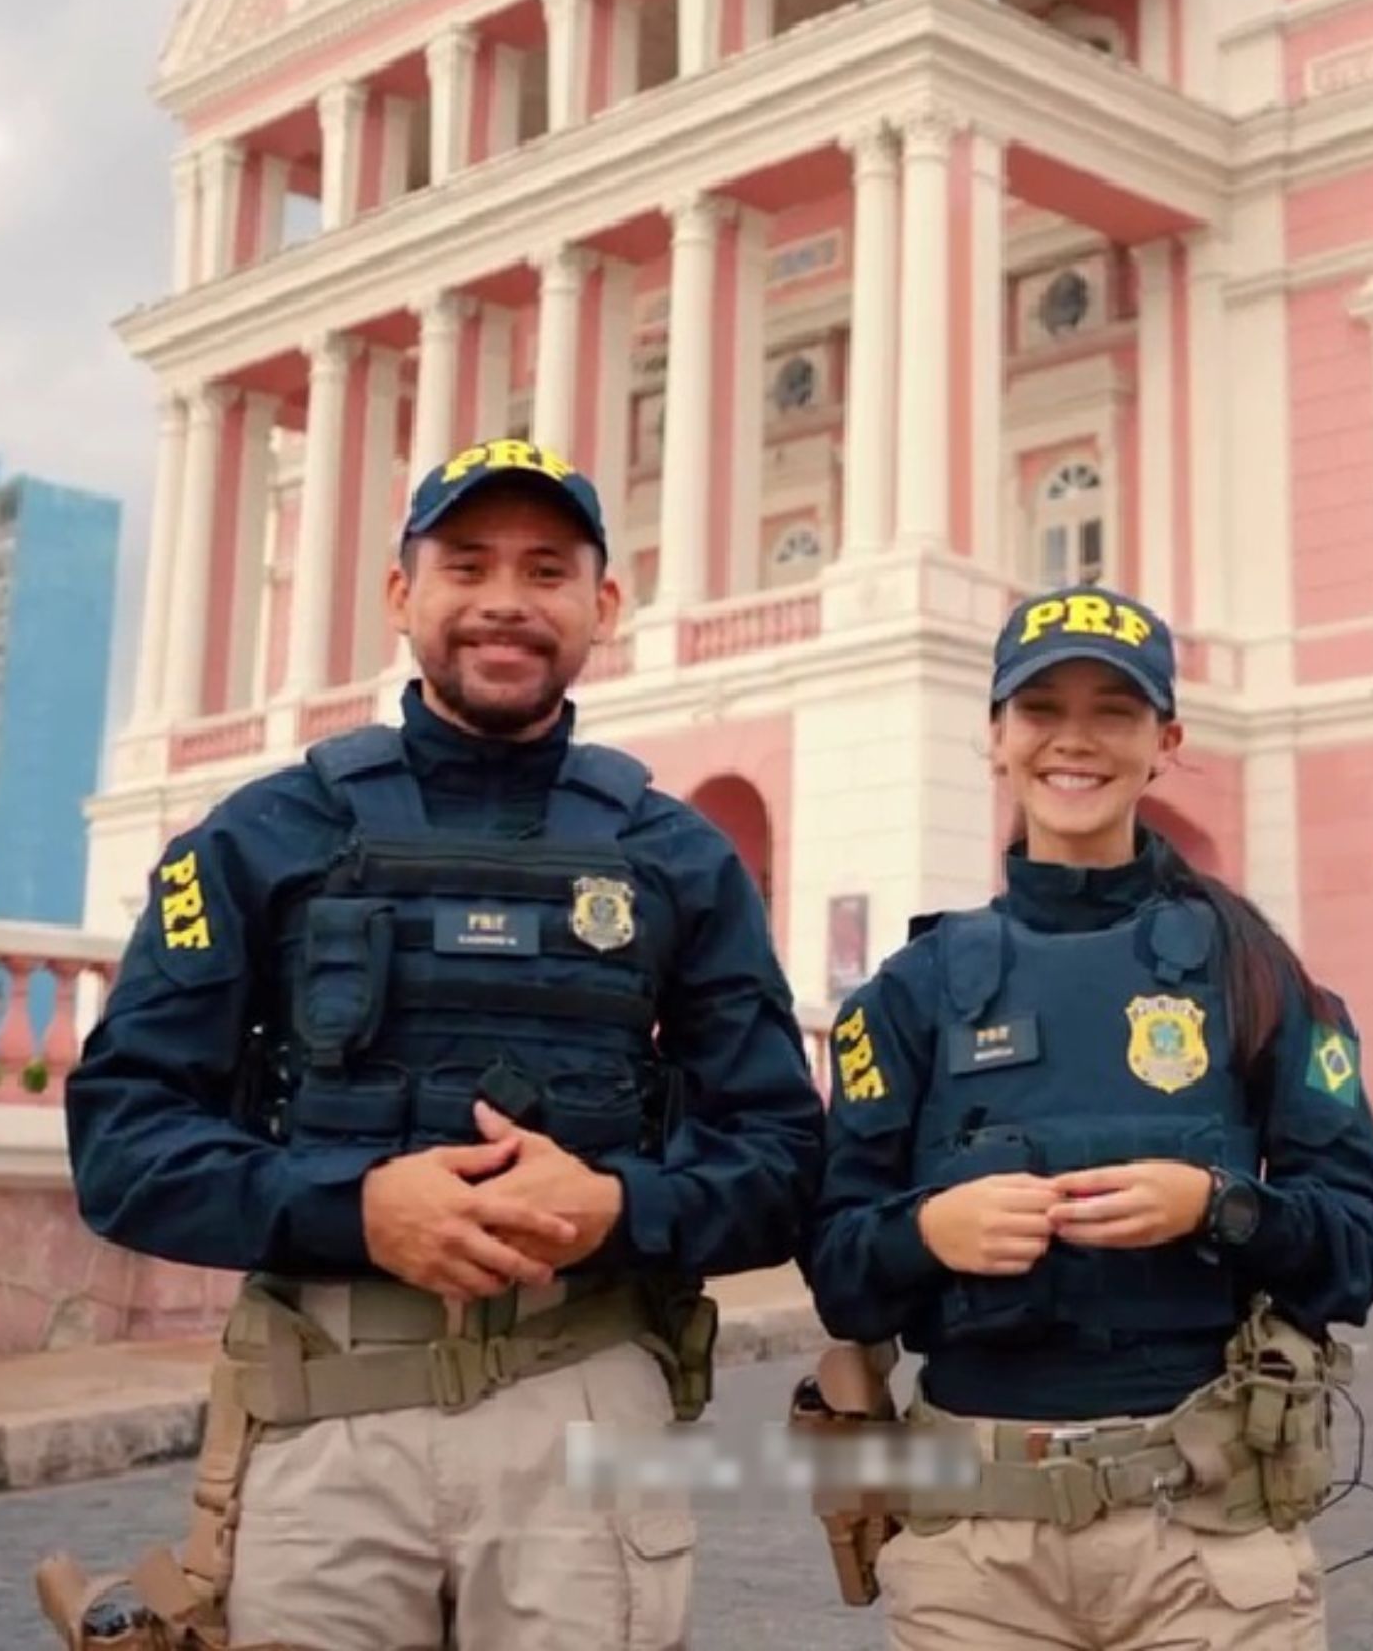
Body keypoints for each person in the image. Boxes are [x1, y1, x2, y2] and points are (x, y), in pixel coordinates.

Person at [46, 436, 827, 1651]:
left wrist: (615, 1205)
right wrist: (356, 1208)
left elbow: (785, 1162)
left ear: (603, 606)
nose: (507, 599)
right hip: (327, 1413)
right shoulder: (259, 836)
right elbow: (124, 1143)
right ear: (403, 595)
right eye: (467, 565)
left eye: (547, 569)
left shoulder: (681, 859)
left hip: (587, 1411)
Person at [797, 584, 1373, 1650]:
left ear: (1164, 740)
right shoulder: (910, 991)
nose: (1074, 740)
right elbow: (836, 1260)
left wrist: (1218, 1206)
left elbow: (1358, 1244)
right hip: (976, 1553)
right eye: (1041, 709)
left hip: (1208, 1537)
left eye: (1114, 710)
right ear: (995, 736)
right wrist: (928, 1232)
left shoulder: (1255, 971)